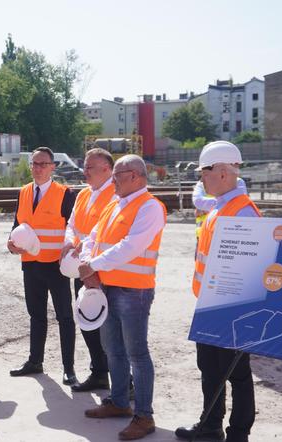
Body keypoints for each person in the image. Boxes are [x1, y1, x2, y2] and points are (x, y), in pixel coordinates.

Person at [175, 141, 260, 442]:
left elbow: (251, 269)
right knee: (209, 368)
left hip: (231, 308)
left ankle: (238, 433)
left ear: (223, 172)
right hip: (209, 303)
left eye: (205, 172)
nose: (202, 179)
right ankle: (210, 426)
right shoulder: (221, 206)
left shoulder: (243, 213)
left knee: (236, 372)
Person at [79, 154, 166, 441]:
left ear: (136, 176)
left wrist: (93, 265)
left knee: (137, 354)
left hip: (134, 291)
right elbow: (92, 237)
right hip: (107, 287)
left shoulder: (150, 207)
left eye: (117, 174)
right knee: (113, 349)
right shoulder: (116, 203)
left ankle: (144, 416)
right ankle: (119, 402)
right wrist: (86, 262)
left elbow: (131, 247)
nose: (112, 179)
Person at [8, 147, 78, 386]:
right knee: (36, 315)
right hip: (30, 264)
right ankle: (35, 361)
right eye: (34, 164)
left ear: (53, 167)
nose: (37, 168)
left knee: (65, 317)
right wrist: (11, 242)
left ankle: (69, 369)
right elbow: (19, 223)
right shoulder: (24, 192)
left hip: (56, 266)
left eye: (43, 164)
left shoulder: (65, 194)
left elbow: (73, 229)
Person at [62, 148, 115, 392]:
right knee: (88, 321)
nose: (85, 172)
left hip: (104, 271)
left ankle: (125, 382)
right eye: (85, 166)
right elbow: (72, 224)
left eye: (90, 167)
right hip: (81, 268)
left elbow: (108, 234)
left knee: (110, 330)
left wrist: (83, 246)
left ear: (107, 169)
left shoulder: (116, 195)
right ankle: (99, 373)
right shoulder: (84, 194)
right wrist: (69, 242)